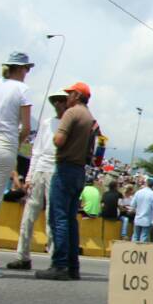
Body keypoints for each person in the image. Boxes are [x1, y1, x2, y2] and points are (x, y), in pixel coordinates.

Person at [35, 82, 96, 281]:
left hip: (65, 167)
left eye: (70, 94)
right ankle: (72, 266)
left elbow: (59, 140)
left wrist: (56, 136)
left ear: (77, 95)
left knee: (58, 217)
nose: (67, 97)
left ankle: (59, 264)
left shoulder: (71, 113)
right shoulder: (90, 119)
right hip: (79, 171)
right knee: (70, 219)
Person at [0, 52, 34, 277]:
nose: (27, 73)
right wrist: (17, 143)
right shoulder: (22, 90)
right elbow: (25, 127)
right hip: (4, 145)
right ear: (20, 69)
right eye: (27, 69)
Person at [8, 90, 67, 271]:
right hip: (40, 169)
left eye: (61, 100)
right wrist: (29, 176)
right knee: (28, 215)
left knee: (52, 216)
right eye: (54, 101)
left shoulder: (68, 124)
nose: (57, 104)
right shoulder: (46, 123)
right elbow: (36, 151)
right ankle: (22, 255)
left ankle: (54, 258)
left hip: (56, 171)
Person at [131, 176, 153, 243]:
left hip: (137, 218)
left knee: (135, 236)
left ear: (146, 183)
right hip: (147, 220)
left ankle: (132, 250)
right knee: (144, 237)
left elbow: (132, 205)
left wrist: (136, 211)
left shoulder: (138, 192)